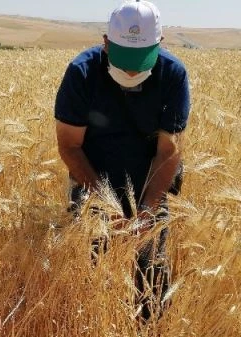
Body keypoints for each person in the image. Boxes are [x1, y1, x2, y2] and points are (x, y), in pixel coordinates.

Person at [54, 0, 191, 320]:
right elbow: (69, 147)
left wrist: (146, 209)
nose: (130, 70)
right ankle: (92, 335)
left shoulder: (173, 75)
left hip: (149, 179)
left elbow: (168, 152)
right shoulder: (82, 72)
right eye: (124, 59)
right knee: (90, 272)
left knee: (151, 278)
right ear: (105, 43)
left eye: (139, 60)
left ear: (159, 44)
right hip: (92, 178)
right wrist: (105, 201)